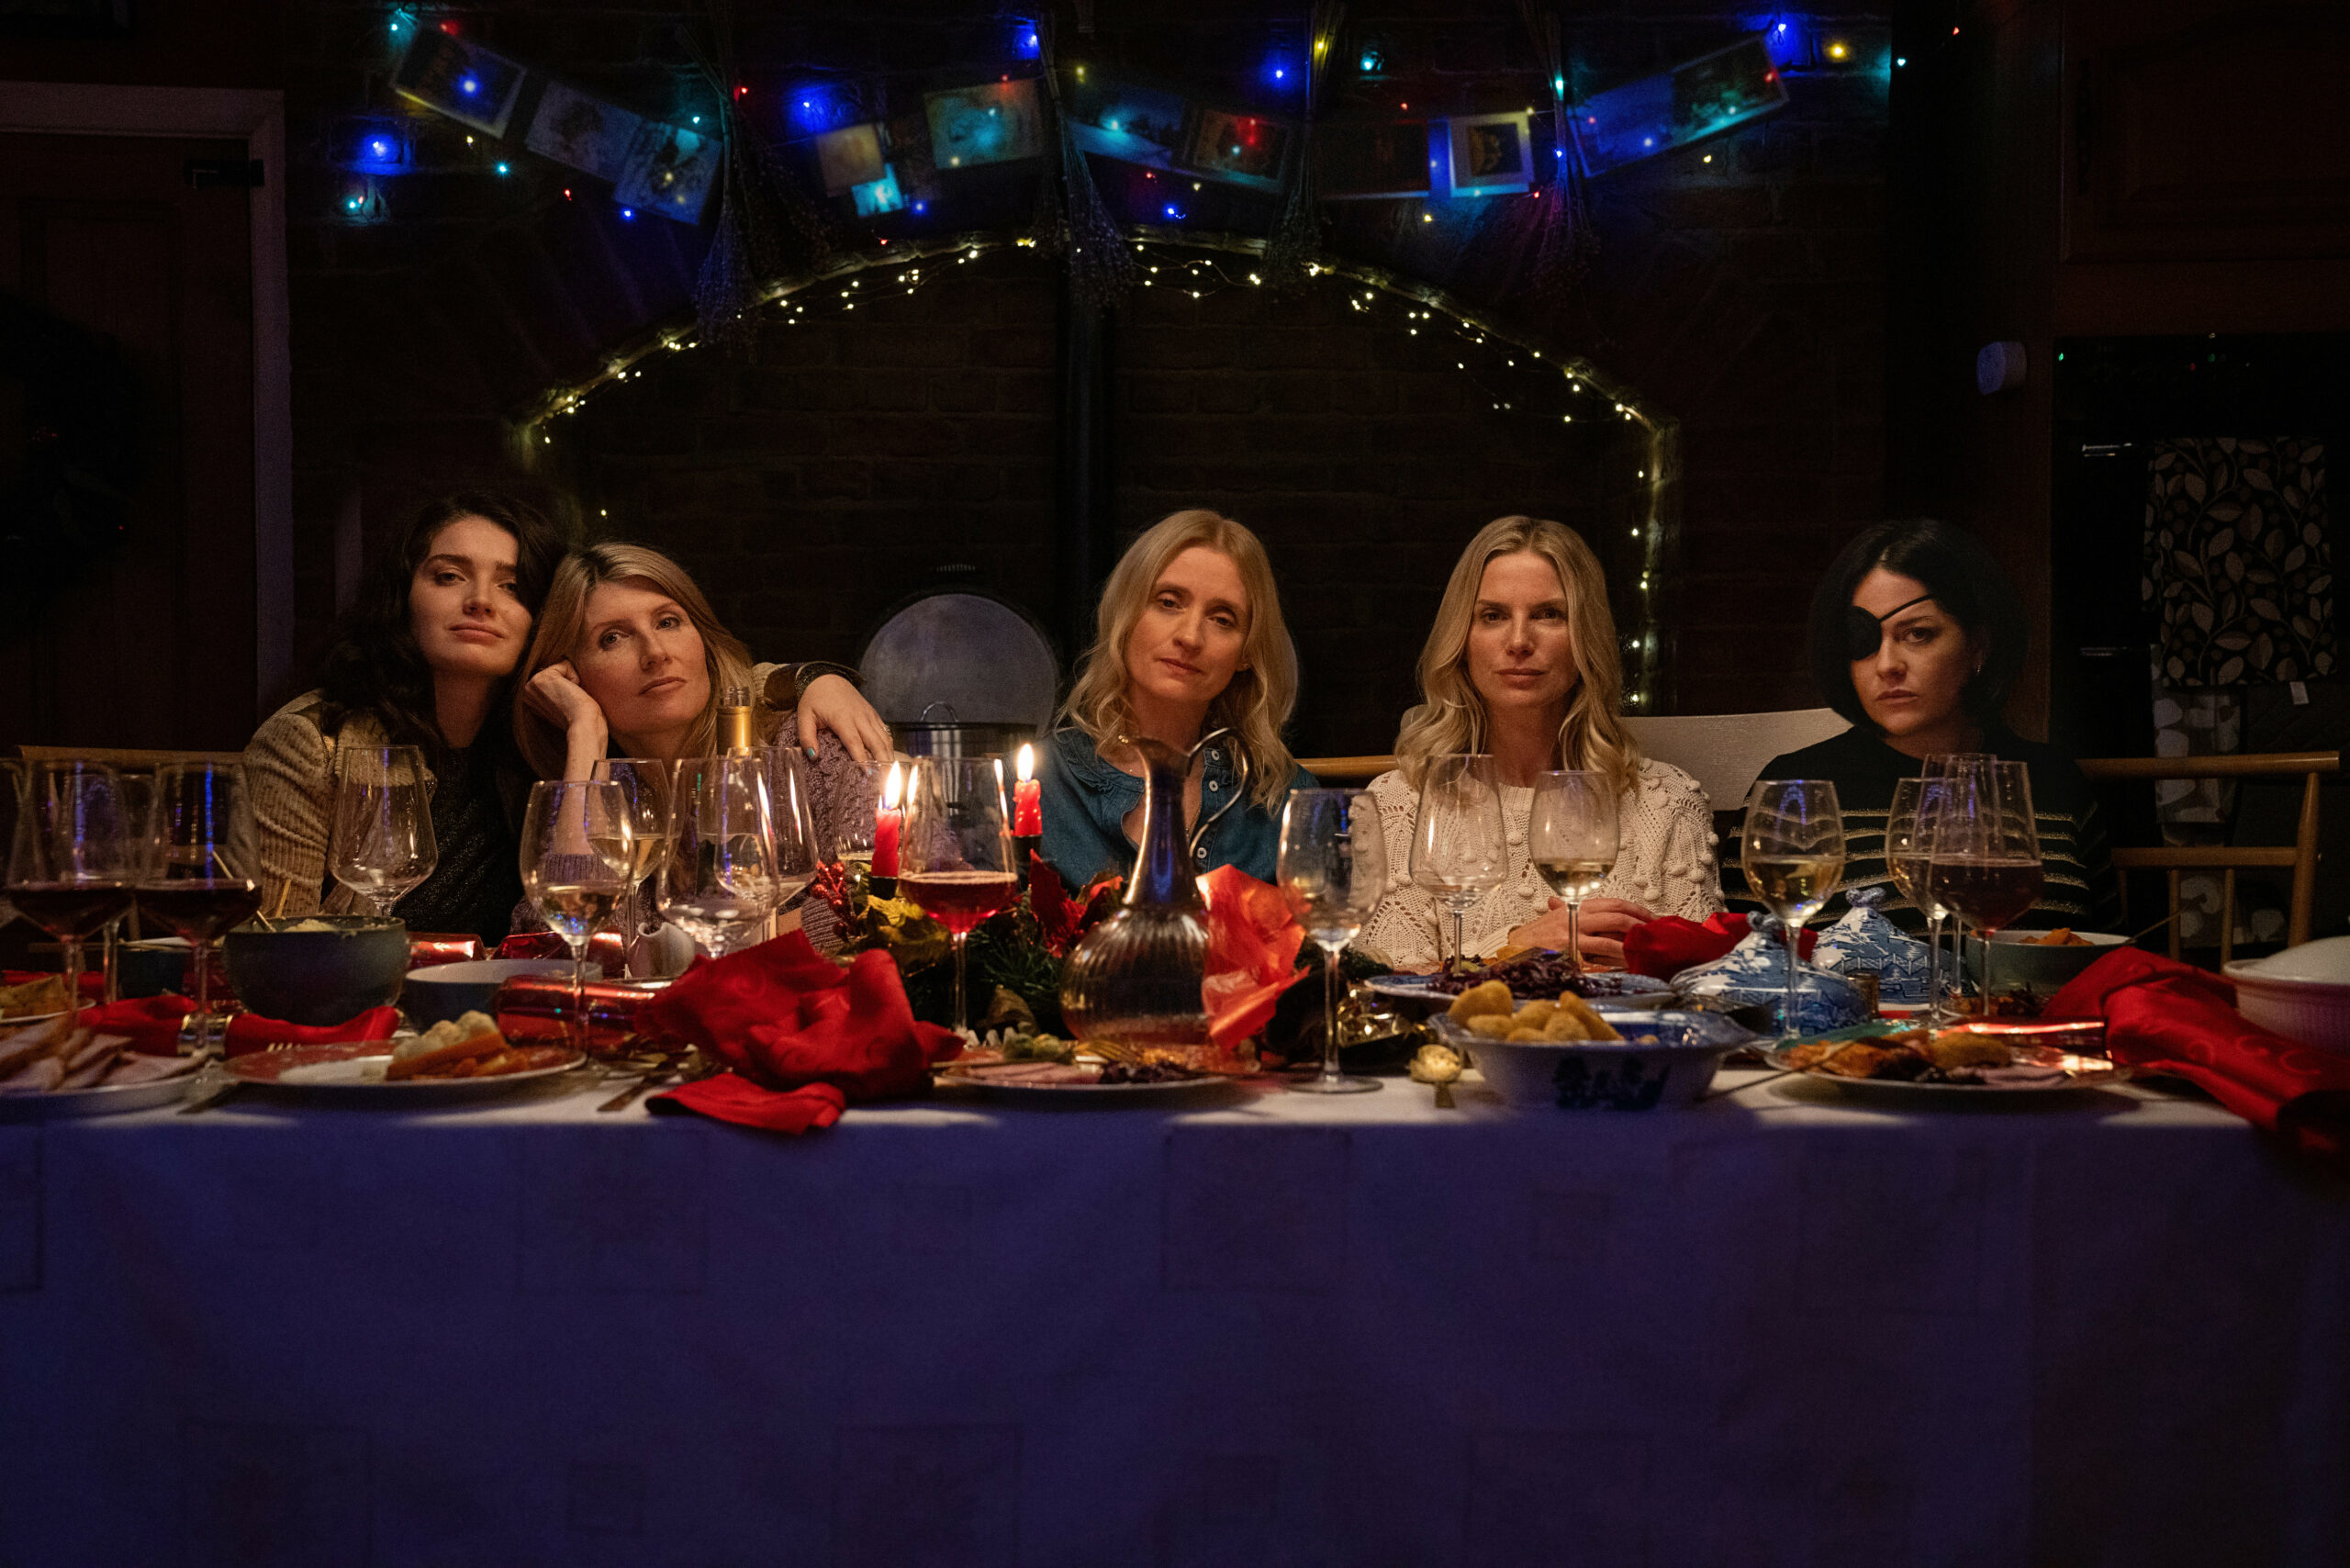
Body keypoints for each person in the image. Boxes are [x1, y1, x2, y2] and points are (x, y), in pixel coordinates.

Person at [1359, 516, 1723, 971]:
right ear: (1462, 639)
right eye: (1492, 616)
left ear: (1585, 637)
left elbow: (1706, 984)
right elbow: (1381, 991)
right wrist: (1516, 949)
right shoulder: (1398, 804)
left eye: (1549, 614)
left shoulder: (1666, 802)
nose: (1518, 641)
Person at [1721, 518, 2116, 932]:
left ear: (1978, 645)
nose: (1888, 665)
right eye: (1863, 641)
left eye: (1918, 634)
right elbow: (1750, 961)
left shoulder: (2052, 782)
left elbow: (2109, 960)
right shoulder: (1794, 791)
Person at [244, 493, 567, 947]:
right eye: (449, 577)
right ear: (403, 598)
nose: (480, 601)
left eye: (512, 587)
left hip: (497, 1011)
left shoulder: (536, 748)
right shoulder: (311, 741)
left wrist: (586, 729)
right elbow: (274, 949)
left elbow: (575, 933)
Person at [511, 541, 886, 851]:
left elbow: (868, 906)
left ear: (703, 640)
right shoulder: (602, 797)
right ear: (571, 673)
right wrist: (584, 732)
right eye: (612, 638)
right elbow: (560, 924)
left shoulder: (808, 756)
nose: (655, 652)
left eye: (667, 622)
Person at [1038, 510, 1315, 887]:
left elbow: (1323, 940)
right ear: (1126, 612)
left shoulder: (1289, 803)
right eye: (1169, 602)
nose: (1190, 637)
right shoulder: (1036, 785)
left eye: (1222, 619)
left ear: (1247, 653)